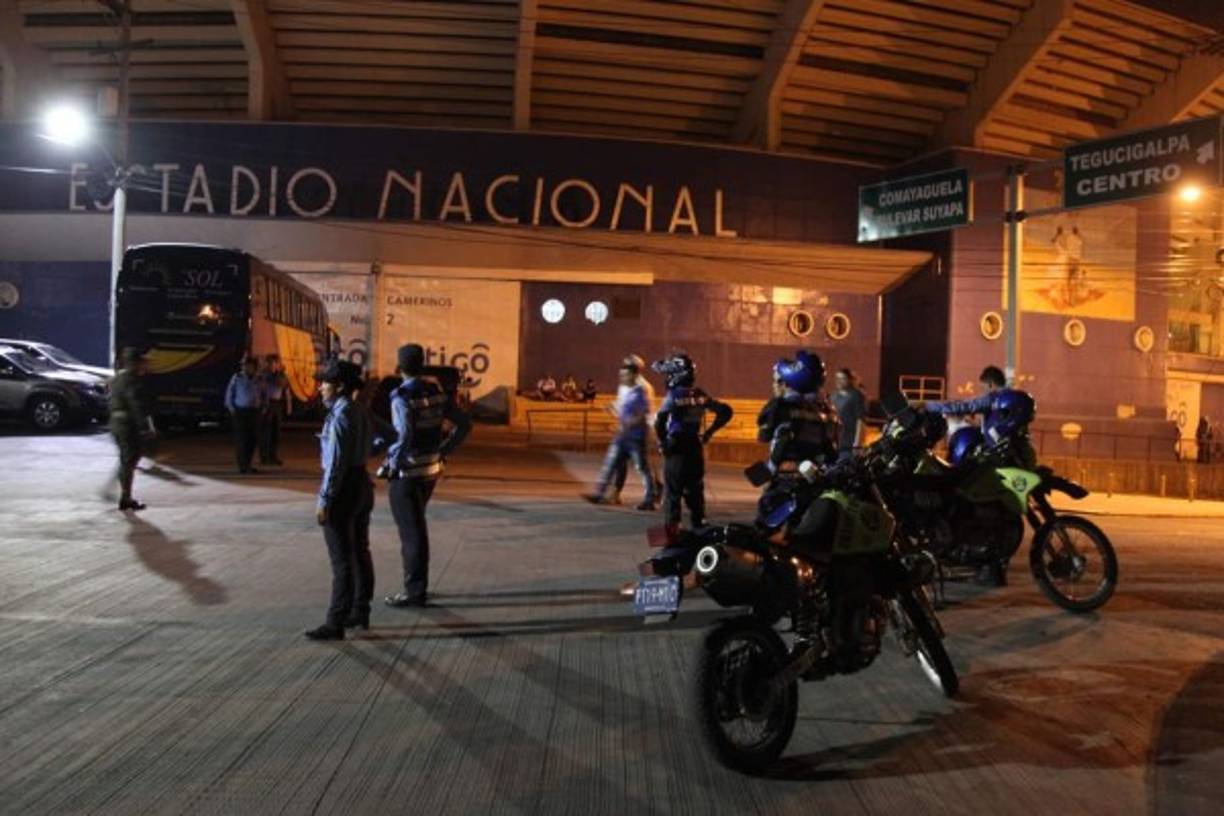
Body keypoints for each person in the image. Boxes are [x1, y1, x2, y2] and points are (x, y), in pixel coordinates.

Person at [383, 343, 472, 609]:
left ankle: (414, 592)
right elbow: (465, 424)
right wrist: (445, 449)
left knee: (411, 535)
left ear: (400, 367)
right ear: (422, 365)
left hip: (408, 472)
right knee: (417, 530)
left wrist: (391, 464)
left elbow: (404, 435)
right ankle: (417, 587)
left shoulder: (400, 397)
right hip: (431, 470)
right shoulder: (436, 391)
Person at [306, 359, 386, 641]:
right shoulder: (361, 411)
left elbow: (335, 464)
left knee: (341, 560)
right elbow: (391, 435)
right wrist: (366, 453)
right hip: (361, 482)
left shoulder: (340, 416)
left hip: (343, 488)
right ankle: (360, 610)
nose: (320, 387)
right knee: (360, 551)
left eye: (325, 383)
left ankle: (335, 621)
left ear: (339, 387)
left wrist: (324, 500)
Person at [652, 352, 732, 530]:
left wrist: (663, 442)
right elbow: (726, 411)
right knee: (695, 492)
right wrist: (709, 432)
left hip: (677, 448)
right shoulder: (700, 395)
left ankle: (673, 536)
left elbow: (660, 421)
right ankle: (699, 527)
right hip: (695, 448)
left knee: (673, 494)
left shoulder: (674, 395)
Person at [584, 359, 658, 510]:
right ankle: (600, 493)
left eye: (625, 375)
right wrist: (611, 407)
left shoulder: (642, 390)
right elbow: (621, 405)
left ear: (634, 374)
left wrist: (633, 423)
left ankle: (651, 497)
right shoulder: (626, 389)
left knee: (642, 468)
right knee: (610, 463)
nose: (622, 378)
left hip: (636, 436)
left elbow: (645, 413)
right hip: (622, 435)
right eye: (621, 374)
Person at [757, 351, 838, 479]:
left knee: (768, 499)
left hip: (785, 478)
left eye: (776, 381)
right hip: (815, 478)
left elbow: (767, 438)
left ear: (785, 383)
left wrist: (770, 470)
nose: (774, 386)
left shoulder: (780, 407)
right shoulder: (826, 410)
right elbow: (830, 449)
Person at [108, 347, 156, 511]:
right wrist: (145, 428)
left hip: (115, 424)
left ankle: (125, 495)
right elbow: (136, 404)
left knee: (127, 460)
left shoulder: (117, 379)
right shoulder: (131, 380)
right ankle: (125, 497)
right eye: (142, 362)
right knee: (130, 460)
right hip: (127, 425)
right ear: (135, 363)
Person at [225, 357, 263, 474]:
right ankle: (242, 466)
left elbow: (264, 394)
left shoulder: (259, 379)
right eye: (245, 365)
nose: (247, 368)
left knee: (252, 440)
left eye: (250, 366)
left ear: (254, 367)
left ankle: (248, 464)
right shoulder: (237, 378)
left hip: (254, 413)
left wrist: (264, 407)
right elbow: (229, 395)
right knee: (242, 440)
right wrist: (232, 409)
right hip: (240, 412)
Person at [259, 354, 291, 466]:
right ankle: (264, 457)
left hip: (277, 403)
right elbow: (261, 390)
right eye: (270, 363)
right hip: (266, 403)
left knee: (276, 432)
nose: (273, 365)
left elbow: (284, 388)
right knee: (265, 432)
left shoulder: (280, 375)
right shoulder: (263, 375)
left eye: (275, 363)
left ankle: (273, 456)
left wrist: (288, 405)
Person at [830, 368, 867, 462]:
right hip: (836, 442)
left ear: (849, 380)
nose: (839, 381)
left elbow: (860, 419)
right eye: (837, 378)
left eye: (843, 378)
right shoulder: (833, 396)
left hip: (849, 442)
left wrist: (857, 442)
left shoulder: (856, 396)